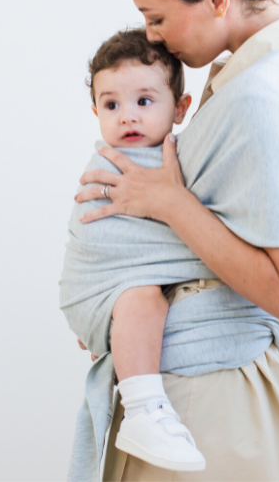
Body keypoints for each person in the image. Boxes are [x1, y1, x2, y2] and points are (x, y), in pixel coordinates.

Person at [73, 0, 279, 481]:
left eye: (156, 17)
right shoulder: (264, 70)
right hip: (199, 395)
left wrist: (169, 202)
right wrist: (115, 304)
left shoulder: (266, 97)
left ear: (217, 0)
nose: (152, 37)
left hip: (207, 407)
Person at [75, 27, 205, 470]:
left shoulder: (188, 158)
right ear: (96, 111)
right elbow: (97, 239)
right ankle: (143, 411)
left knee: (145, 297)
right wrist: (97, 298)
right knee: (143, 297)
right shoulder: (108, 166)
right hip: (104, 283)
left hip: (123, 294)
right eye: (112, 105)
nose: (127, 117)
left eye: (144, 101)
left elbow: (194, 225)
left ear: (180, 108)